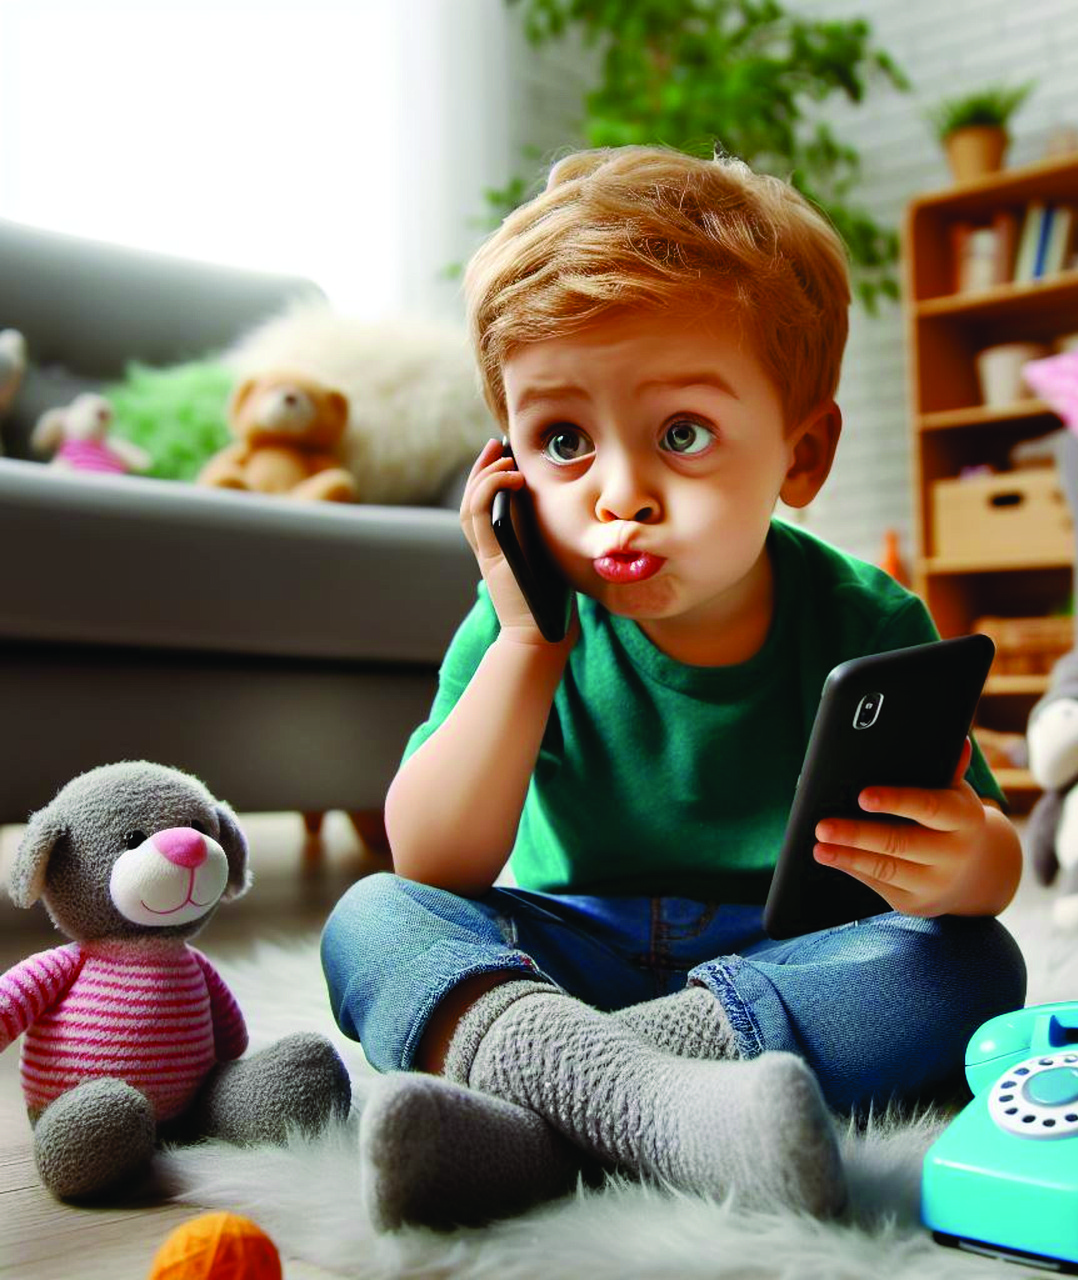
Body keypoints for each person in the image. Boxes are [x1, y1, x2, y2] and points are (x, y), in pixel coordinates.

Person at [322, 144, 1027, 1232]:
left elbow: (975, 852)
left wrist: (968, 861)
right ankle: (666, 1106)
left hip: (774, 958)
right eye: (561, 440)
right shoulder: (525, 615)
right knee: (372, 916)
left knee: (966, 960)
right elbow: (435, 861)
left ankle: (547, 1104)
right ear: (504, 459)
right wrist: (527, 650)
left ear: (802, 452)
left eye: (681, 434)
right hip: (567, 945)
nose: (618, 494)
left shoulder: (866, 617)